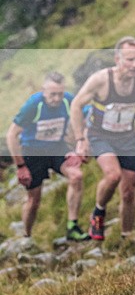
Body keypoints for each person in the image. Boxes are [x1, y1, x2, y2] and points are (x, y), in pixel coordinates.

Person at [70, 36, 135, 240]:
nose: (134, 65)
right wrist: (81, 139)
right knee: (113, 175)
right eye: (129, 60)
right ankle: (98, 212)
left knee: (129, 190)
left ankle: (127, 236)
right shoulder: (100, 80)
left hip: (127, 137)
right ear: (117, 59)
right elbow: (76, 105)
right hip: (100, 135)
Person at [6, 72, 89, 241]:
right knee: (34, 200)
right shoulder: (33, 105)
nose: (57, 98)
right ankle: (26, 236)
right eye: (52, 94)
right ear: (44, 91)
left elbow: (88, 115)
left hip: (56, 148)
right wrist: (20, 166)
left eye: (60, 93)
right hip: (33, 152)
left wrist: (81, 144)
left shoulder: (67, 100)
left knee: (76, 176)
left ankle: (72, 226)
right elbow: (11, 135)